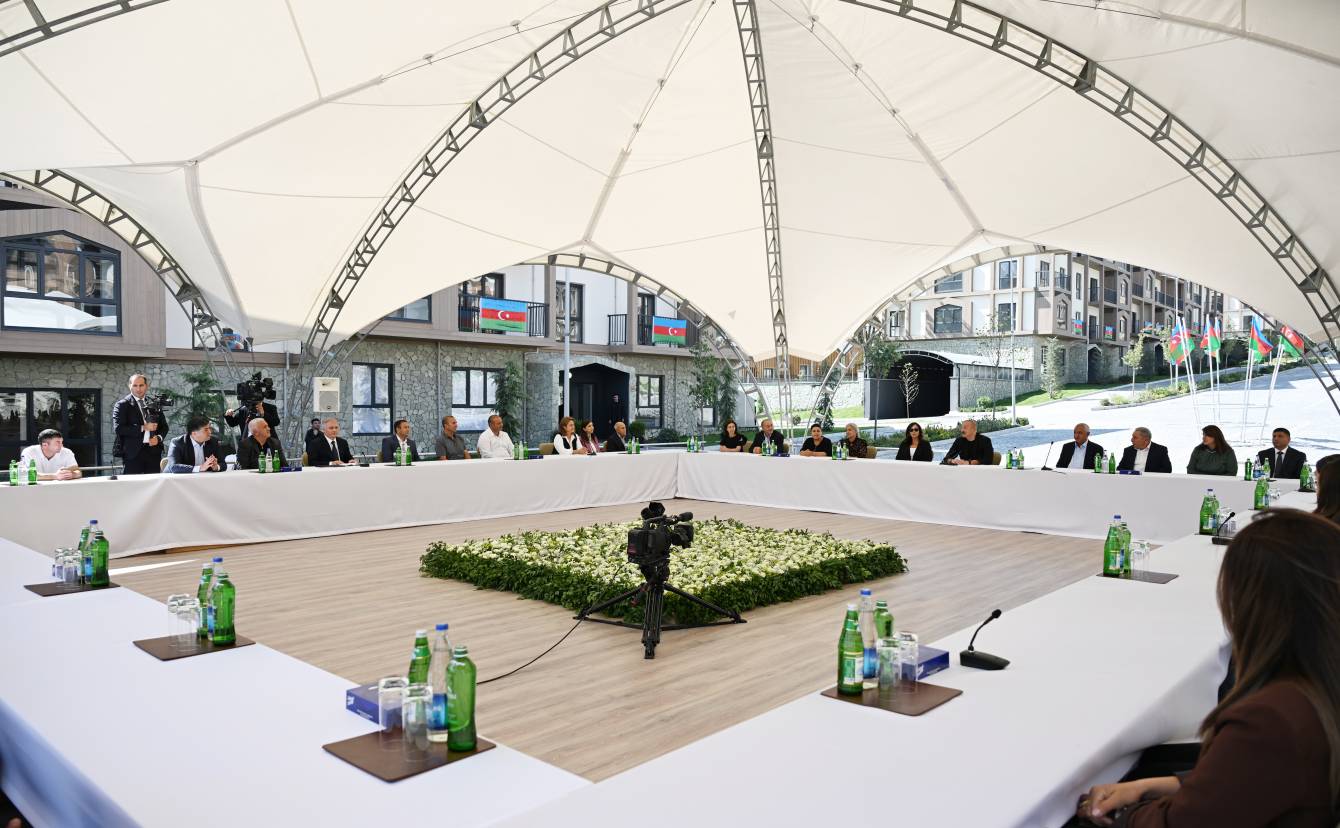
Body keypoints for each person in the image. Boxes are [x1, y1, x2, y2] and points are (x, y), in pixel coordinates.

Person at [1076, 509, 1340, 828]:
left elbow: (1181, 822)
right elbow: (1246, 781)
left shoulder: (1271, 718)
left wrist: (1119, 814)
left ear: (1253, 604)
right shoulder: (1316, 690)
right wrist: (1148, 786)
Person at [112, 373, 169, 475]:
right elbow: (119, 428)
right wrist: (143, 427)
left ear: (146, 386)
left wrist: (158, 438)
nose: (138, 389)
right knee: (132, 484)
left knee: (154, 483)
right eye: (135, 385)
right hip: (132, 454)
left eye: (141, 385)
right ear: (129, 386)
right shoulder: (122, 405)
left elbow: (164, 427)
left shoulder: (154, 403)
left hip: (153, 453)